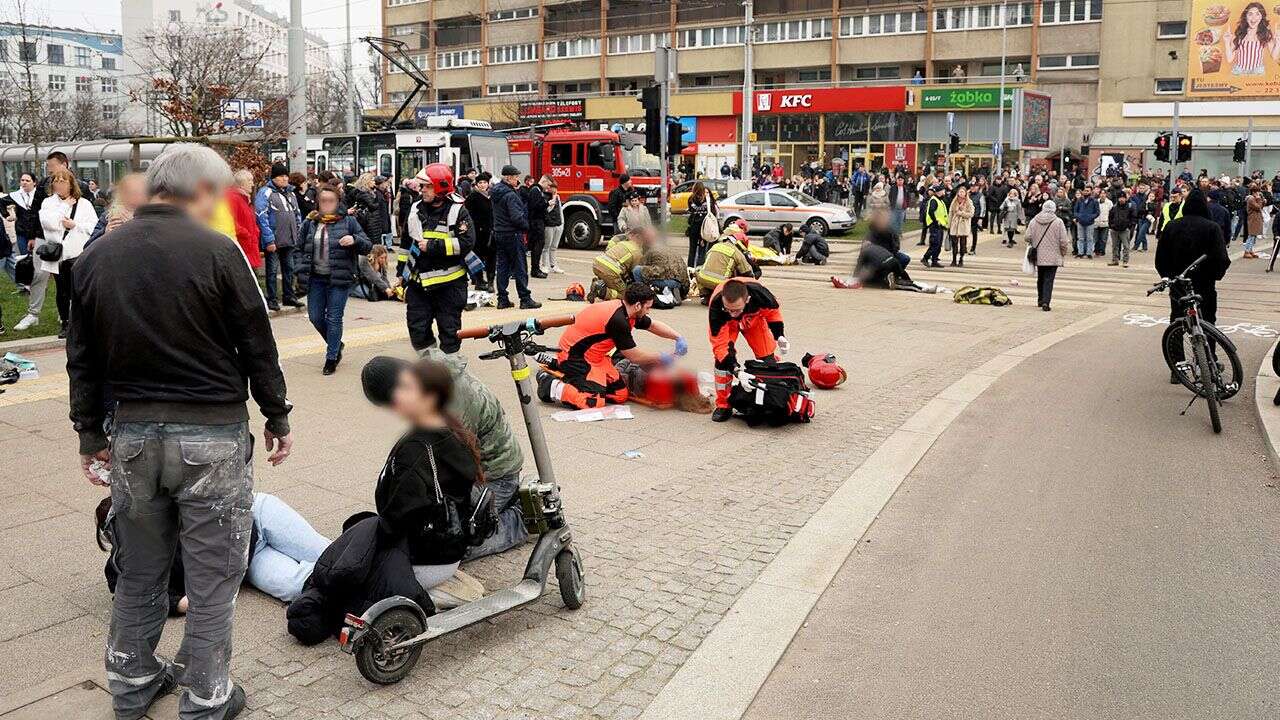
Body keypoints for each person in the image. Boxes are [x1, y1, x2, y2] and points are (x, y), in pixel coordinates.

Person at [67, 143, 293, 720]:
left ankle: (133, 683)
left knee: (140, 568)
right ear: (199, 191)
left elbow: (82, 358)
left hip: (133, 438)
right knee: (214, 577)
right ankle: (206, 698)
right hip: (211, 437)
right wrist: (276, 414)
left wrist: (89, 435)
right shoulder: (220, 253)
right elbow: (256, 343)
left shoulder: (96, 258)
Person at [365, 357, 492, 598]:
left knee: (357, 568)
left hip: (430, 561)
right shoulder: (450, 429)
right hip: (450, 547)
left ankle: (432, 595)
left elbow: (396, 521)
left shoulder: (416, 450)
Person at [99, 492, 330, 610]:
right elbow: (132, 596)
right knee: (295, 587)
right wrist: (179, 603)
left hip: (255, 514)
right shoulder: (123, 566)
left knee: (327, 555)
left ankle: (364, 565)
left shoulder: (170, 510)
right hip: (247, 559)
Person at [418, 348, 529, 559]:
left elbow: (455, 460)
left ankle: (520, 520)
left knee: (459, 544)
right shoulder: (438, 383)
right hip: (478, 470)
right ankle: (503, 505)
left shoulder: (459, 402)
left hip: (495, 475)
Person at [537, 282, 684, 410]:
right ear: (638, 305)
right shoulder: (618, 320)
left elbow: (652, 325)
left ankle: (576, 378)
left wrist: (678, 337)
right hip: (576, 358)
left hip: (596, 358)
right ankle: (549, 384)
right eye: (647, 307)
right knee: (592, 402)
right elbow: (634, 356)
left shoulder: (628, 311)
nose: (648, 311)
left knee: (619, 395)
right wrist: (662, 357)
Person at [1155, 189, 1231, 377]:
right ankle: (1209, 361)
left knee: (1178, 323)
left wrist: (1167, 276)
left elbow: (1160, 258)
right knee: (1208, 322)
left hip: (1178, 284)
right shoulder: (1212, 228)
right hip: (1204, 284)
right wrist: (1215, 275)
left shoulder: (1172, 227)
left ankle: (1177, 367)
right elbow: (1222, 258)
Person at [298, 185, 371, 375]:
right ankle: (336, 344)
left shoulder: (348, 222)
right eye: (323, 201)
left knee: (334, 318)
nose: (327, 204)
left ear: (338, 202)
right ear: (318, 202)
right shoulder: (311, 222)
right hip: (316, 278)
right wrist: (300, 268)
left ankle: (331, 358)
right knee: (315, 317)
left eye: (331, 201)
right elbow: (299, 247)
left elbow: (367, 246)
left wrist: (354, 240)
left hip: (339, 278)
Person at [403, 164, 475, 354]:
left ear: (440, 187)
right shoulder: (414, 209)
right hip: (419, 285)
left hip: (449, 285)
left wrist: (433, 246)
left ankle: (449, 373)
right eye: (422, 186)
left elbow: (466, 243)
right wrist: (402, 275)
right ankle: (432, 368)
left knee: (449, 334)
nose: (422, 190)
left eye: (427, 186)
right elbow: (406, 244)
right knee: (417, 331)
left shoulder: (458, 211)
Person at [30, 168, 97, 338]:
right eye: (56, 181)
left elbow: (93, 226)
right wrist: (64, 206)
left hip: (77, 252)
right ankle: (65, 323)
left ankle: (82, 322)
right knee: (62, 290)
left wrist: (74, 225)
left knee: (79, 290)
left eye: (63, 181)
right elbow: (49, 224)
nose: (59, 184)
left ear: (71, 183)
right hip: (58, 254)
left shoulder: (84, 204)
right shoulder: (48, 203)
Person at [707, 278, 786, 422]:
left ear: (748, 299)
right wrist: (737, 370)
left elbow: (773, 314)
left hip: (753, 318)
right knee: (721, 363)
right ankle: (723, 405)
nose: (732, 313)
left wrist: (779, 335)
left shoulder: (762, 296)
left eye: (735, 309)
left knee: (767, 358)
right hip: (727, 325)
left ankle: (767, 397)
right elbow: (721, 347)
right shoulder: (717, 307)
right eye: (728, 309)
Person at [255, 163, 304, 311]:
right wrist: (269, 239)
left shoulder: (290, 193)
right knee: (272, 270)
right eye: (281, 176)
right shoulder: (265, 192)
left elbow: (297, 214)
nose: (285, 178)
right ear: (274, 178)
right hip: (274, 240)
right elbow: (261, 216)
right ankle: (272, 298)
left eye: (286, 176)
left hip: (289, 238)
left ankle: (289, 296)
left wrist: (297, 231)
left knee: (289, 268)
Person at [492, 165, 540, 310]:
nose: (517, 180)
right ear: (508, 177)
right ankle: (525, 298)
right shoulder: (510, 195)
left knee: (502, 267)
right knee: (520, 266)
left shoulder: (495, 192)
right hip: (513, 234)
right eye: (515, 177)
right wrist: (526, 226)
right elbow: (516, 217)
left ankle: (502, 299)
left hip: (499, 233)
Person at [1025, 199, 1070, 312]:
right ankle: (1046, 301)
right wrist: (1063, 252)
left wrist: (1034, 241)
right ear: (1054, 209)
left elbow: (1027, 237)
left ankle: (1040, 299)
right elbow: (1064, 240)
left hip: (1039, 255)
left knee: (1040, 277)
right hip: (1053, 256)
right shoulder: (1058, 222)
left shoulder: (1034, 220)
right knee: (1049, 279)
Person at [85, 173, 148, 249]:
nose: (134, 197)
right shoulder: (108, 216)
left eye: (138, 192)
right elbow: (88, 247)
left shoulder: (152, 217)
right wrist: (105, 232)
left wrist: (133, 225)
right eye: (129, 192)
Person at [591, 225, 653, 301]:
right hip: (610, 271)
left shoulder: (623, 242)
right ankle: (602, 292)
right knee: (626, 296)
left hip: (597, 263)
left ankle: (598, 284)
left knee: (614, 283)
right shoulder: (637, 252)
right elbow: (634, 272)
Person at [696, 227, 755, 299]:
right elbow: (747, 272)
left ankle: (705, 296)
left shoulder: (715, 246)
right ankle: (724, 297)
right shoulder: (736, 252)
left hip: (703, 279)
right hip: (720, 284)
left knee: (698, 269)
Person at [1223, 2, 1275, 76]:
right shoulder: (1239, 33)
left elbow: (1274, 56)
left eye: (1257, 14)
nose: (1254, 18)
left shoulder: (1265, 33)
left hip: (1258, 72)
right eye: (1250, 14)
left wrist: (1279, 42)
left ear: (1261, 17)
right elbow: (1229, 59)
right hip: (1239, 71)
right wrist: (1226, 42)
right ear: (1245, 16)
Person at [225, 170, 263, 268]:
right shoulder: (233, 198)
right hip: (243, 247)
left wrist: (255, 232)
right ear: (242, 184)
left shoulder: (245, 199)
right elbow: (230, 221)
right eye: (250, 181)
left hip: (249, 247)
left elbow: (250, 221)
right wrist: (246, 234)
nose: (253, 184)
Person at [466, 172, 495, 292]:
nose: (483, 185)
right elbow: (468, 215)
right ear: (476, 184)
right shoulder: (473, 197)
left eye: (485, 182)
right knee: (477, 256)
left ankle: (490, 281)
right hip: (478, 232)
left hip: (491, 232)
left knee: (492, 257)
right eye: (480, 183)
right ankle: (479, 280)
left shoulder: (492, 196)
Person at [685, 181, 717, 268]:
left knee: (692, 250)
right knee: (702, 251)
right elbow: (713, 212)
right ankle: (699, 269)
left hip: (693, 228)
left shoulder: (691, 199)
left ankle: (690, 269)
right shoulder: (707, 199)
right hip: (704, 227)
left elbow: (690, 211)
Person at [522, 175, 547, 279]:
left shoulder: (536, 190)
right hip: (536, 223)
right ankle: (535, 269)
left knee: (537, 246)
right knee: (537, 246)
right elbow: (535, 207)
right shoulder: (536, 191)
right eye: (548, 185)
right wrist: (547, 204)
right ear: (544, 181)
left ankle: (535, 268)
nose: (548, 188)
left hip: (536, 222)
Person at [541, 177, 564, 274]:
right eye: (553, 188)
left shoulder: (558, 197)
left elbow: (560, 210)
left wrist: (562, 223)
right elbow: (547, 211)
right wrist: (552, 202)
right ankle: (544, 265)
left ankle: (554, 265)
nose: (555, 190)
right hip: (549, 224)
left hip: (558, 224)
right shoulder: (545, 197)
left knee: (554, 246)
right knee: (547, 246)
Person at [921, 185, 948, 268]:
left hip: (940, 225)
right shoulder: (934, 200)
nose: (944, 192)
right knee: (935, 244)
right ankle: (925, 258)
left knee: (938, 244)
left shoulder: (940, 200)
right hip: (935, 225)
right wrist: (935, 221)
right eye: (943, 191)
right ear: (938, 192)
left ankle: (934, 261)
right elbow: (931, 212)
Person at [1107, 190, 1135, 267]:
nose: (1121, 199)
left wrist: (1129, 226)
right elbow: (1110, 217)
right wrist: (1111, 226)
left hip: (1125, 230)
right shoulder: (1114, 207)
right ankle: (1115, 260)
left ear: (1126, 199)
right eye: (1120, 198)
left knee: (1126, 246)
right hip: (1115, 229)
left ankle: (1125, 261)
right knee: (1114, 246)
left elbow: (1133, 218)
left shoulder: (1129, 207)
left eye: (1123, 198)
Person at [947, 186, 973, 267]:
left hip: (963, 225)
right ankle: (954, 259)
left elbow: (971, 214)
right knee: (954, 243)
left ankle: (961, 259)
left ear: (965, 193)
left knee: (962, 243)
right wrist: (949, 225)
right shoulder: (954, 202)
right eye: (960, 191)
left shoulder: (969, 202)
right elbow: (950, 213)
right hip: (954, 225)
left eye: (963, 192)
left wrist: (961, 213)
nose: (961, 193)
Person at [1071, 186, 1100, 258]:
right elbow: (1075, 211)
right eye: (1085, 190)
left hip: (1090, 222)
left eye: (1088, 191)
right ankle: (1080, 252)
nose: (1086, 192)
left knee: (1089, 238)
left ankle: (1089, 253)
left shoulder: (1094, 201)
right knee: (1080, 238)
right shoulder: (1079, 200)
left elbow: (1097, 212)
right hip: (1080, 222)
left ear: (1091, 192)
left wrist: (1091, 217)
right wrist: (1079, 216)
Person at [1244, 184, 1265, 258]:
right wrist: (1259, 199)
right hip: (1253, 219)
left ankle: (1250, 250)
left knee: (1254, 236)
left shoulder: (1255, 198)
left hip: (1256, 218)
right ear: (1254, 192)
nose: (1258, 194)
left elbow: (1261, 207)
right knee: (1251, 236)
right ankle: (1246, 251)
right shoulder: (1251, 199)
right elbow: (1258, 207)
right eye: (1258, 192)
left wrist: (1263, 201)